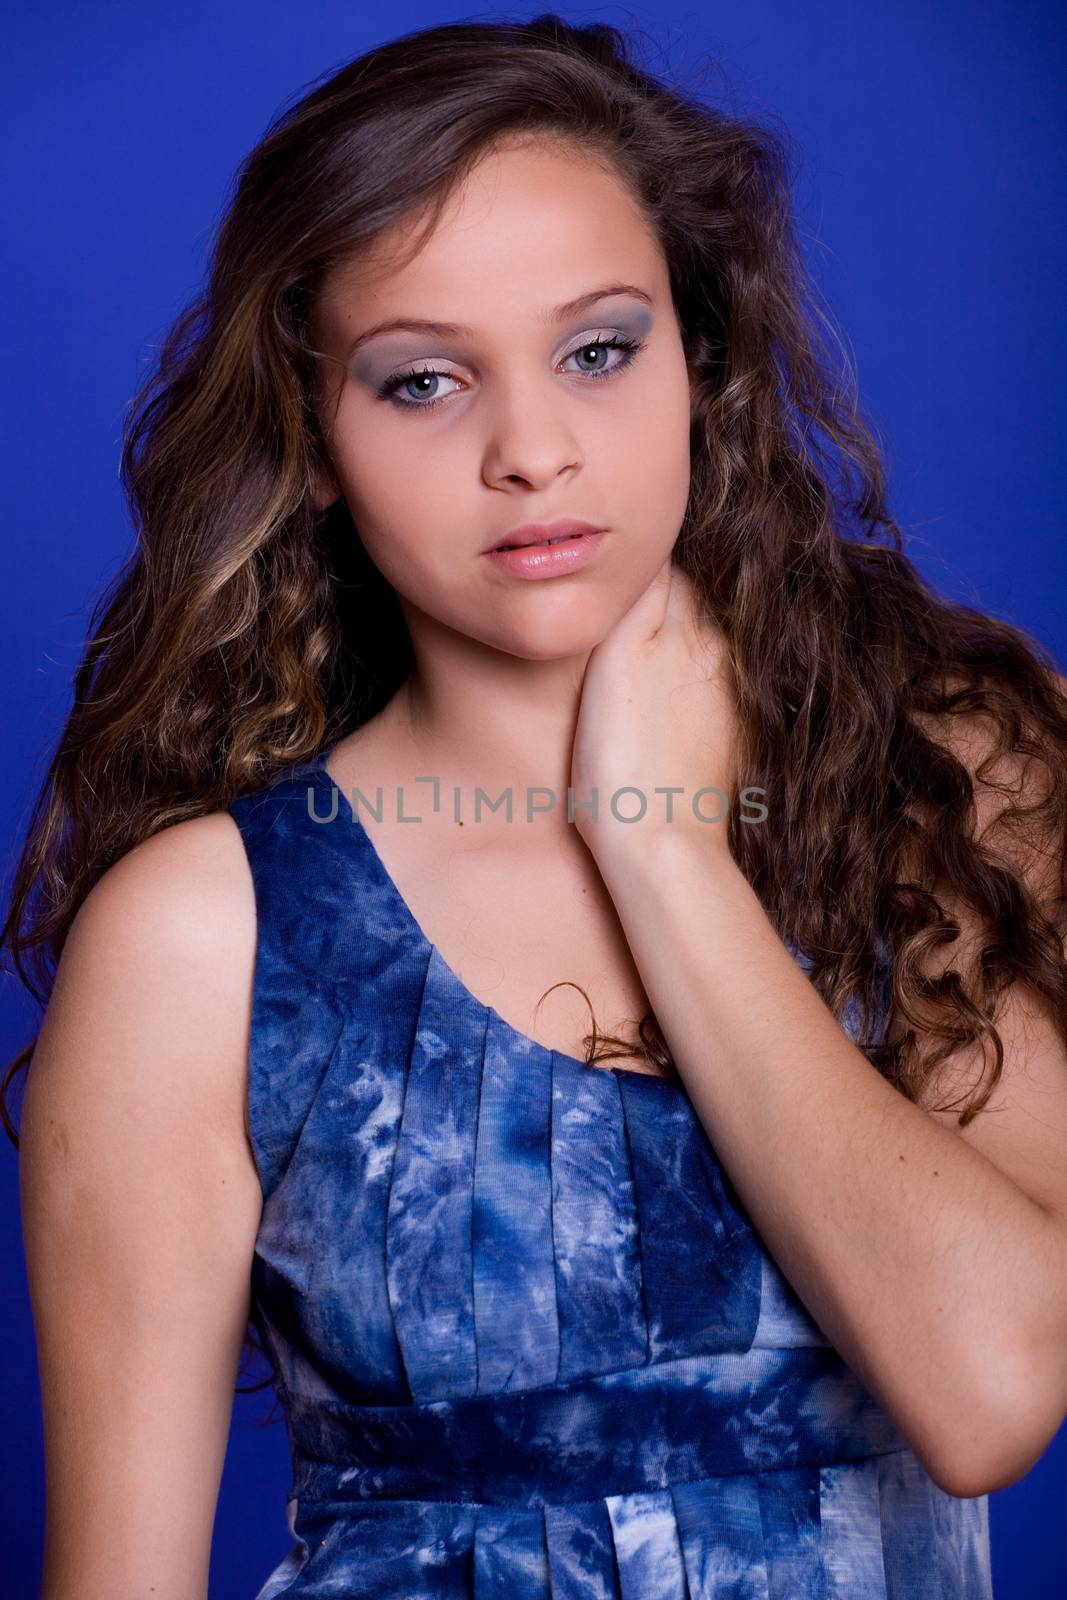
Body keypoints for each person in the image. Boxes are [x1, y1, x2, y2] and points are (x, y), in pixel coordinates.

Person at [7, 14, 1067, 1598]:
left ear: (700, 357)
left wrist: (657, 841)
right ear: (312, 441)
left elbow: (991, 1389)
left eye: (597, 347)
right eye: (423, 380)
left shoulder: (939, 773)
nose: (533, 452)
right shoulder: (206, 939)